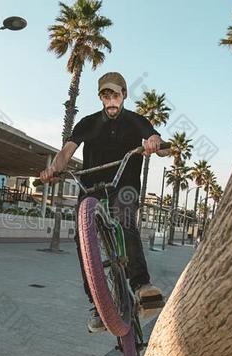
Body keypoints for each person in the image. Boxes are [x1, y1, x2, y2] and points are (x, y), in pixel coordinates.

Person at [40, 72, 168, 333]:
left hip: (125, 185)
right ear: (101, 98)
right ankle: (98, 304)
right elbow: (68, 151)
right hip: (92, 186)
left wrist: (156, 142)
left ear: (124, 95)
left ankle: (141, 285)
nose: (111, 100)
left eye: (115, 95)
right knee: (81, 238)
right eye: (106, 95)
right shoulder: (87, 123)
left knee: (124, 218)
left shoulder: (136, 121)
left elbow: (156, 141)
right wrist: (55, 168)